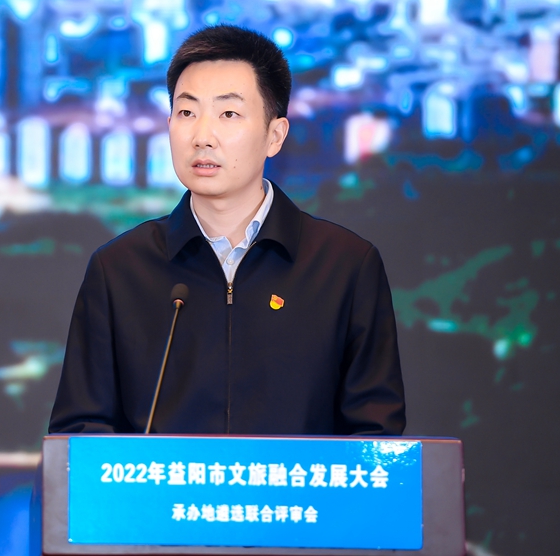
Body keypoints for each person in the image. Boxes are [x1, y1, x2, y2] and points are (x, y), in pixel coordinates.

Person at [49, 25, 405, 436]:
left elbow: (376, 439)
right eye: (187, 113)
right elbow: (81, 434)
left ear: (275, 135)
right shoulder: (119, 269)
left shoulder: (345, 266)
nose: (202, 137)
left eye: (228, 114)